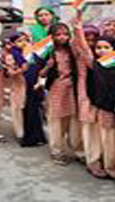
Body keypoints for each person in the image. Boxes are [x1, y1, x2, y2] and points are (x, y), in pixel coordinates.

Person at [74, 14, 115, 180]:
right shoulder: (94, 63)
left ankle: (112, 166)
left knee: (110, 137)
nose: (101, 51)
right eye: (98, 48)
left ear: (114, 49)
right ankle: (94, 163)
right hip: (95, 103)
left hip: (114, 106)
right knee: (96, 135)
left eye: (106, 47)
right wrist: (77, 28)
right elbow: (82, 47)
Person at [40, 22, 83, 165]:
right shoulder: (48, 51)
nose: (62, 37)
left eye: (65, 34)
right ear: (51, 36)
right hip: (57, 89)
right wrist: (48, 66)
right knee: (57, 122)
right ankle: (57, 151)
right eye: (57, 34)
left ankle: (78, 151)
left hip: (72, 89)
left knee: (74, 121)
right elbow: (41, 74)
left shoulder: (72, 50)